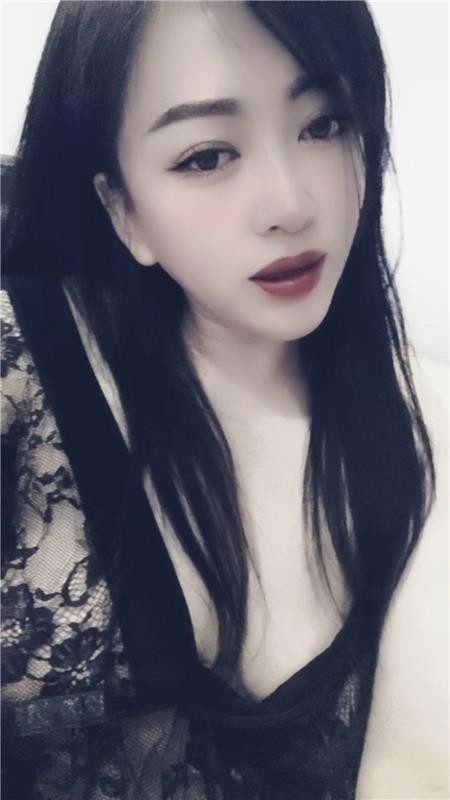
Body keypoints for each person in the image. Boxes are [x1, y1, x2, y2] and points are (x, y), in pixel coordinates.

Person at [1, 2, 447, 798]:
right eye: (206, 156)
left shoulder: (426, 423)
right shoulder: (19, 366)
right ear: (123, 209)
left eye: (324, 125)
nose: (290, 205)